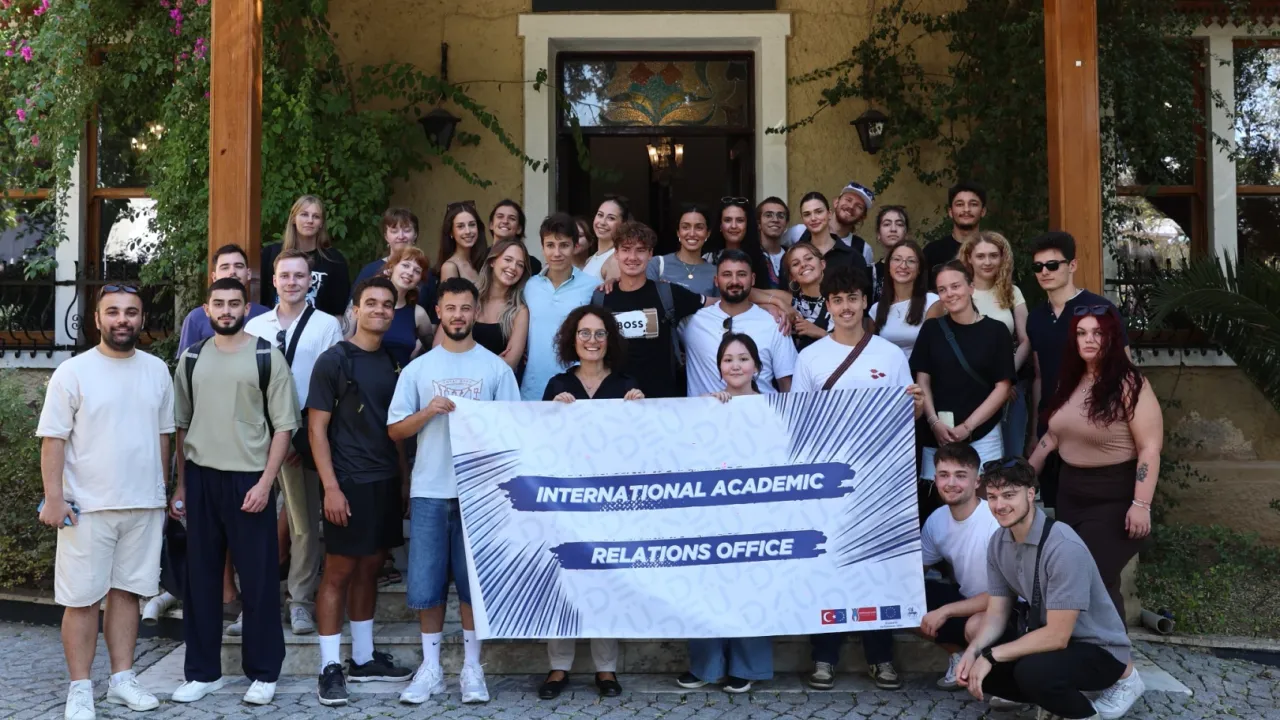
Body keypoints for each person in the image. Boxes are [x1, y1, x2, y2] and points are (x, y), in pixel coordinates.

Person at [37, 284, 173, 720]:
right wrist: (54, 499)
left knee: (128, 594)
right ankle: (80, 689)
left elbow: (164, 436)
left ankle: (121, 680)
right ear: (96, 319)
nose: (122, 319)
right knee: (81, 600)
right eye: (112, 312)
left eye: (131, 312)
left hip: (143, 505)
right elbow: (53, 439)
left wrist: (162, 493)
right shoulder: (73, 372)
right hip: (87, 508)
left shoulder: (157, 370)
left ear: (142, 319)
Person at [388, 277, 521, 705]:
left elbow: (514, 430)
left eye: (466, 308)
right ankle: (430, 669)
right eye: (451, 308)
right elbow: (395, 430)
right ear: (439, 312)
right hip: (430, 487)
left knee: (472, 586)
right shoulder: (418, 369)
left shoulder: (496, 369)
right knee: (426, 586)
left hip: (480, 493)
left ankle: (471, 668)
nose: (458, 316)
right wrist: (428, 411)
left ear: (476, 312)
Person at [790, 266, 921, 692]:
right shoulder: (810, 358)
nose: (846, 307)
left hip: (880, 479)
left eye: (852, 298)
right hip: (829, 480)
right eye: (837, 300)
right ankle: (823, 657)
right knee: (827, 566)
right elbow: (800, 423)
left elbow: (906, 416)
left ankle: (881, 657)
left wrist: (917, 407)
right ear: (828, 305)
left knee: (877, 566)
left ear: (866, 301)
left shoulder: (889, 355)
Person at [170, 278, 299, 706]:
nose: (226, 310)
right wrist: (182, 485)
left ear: (247, 308)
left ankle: (264, 673)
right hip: (202, 478)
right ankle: (202, 672)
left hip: (249, 480)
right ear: (206, 309)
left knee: (259, 580)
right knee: (201, 579)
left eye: (234, 303)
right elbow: (182, 425)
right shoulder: (191, 358)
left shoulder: (266, 356)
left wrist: (266, 483)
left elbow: (284, 426)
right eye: (219, 303)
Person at [957, 458, 1143, 720]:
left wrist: (990, 656)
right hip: (1051, 642)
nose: (999, 505)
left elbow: (1057, 636)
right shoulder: (998, 541)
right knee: (982, 673)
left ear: (1030, 494)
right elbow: (996, 614)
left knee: (1032, 673)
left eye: (1009, 495)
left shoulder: (1063, 546)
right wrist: (973, 652)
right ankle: (1053, 699)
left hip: (1100, 649)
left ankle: (1083, 714)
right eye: (992, 497)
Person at [309, 277, 414, 706]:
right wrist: (331, 487)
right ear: (355, 309)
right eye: (371, 303)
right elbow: (316, 430)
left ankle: (364, 657)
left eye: (387, 304)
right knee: (338, 572)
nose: (380, 310)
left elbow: (396, 428)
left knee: (371, 566)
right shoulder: (333, 361)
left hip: (385, 480)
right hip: (347, 482)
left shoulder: (393, 361)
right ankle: (329, 667)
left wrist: (403, 479)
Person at [1030, 305, 1161, 620]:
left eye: (1098, 333)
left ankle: (1107, 649)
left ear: (1112, 338)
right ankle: (1107, 648)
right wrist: (1024, 474)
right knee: (1091, 580)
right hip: (1070, 494)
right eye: (1081, 333)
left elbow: (1149, 447)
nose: (1088, 339)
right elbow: (1054, 435)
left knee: (1092, 576)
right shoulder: (1070, 381)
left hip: (1114, 497)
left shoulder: (1131, 384)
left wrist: (1141, 504)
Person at [538, 306, 642, 700]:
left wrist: (642, 411)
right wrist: (552, 412)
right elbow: (537, 441)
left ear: (609, 339)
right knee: (563, 581)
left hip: (612, 503)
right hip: (567, 501)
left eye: (599, 333)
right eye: (584, 333)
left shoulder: (627, 385)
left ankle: (605, 667)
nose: (592, 341)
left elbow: (644, 445)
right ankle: (559, 666)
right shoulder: (558, 384)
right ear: (573, 339)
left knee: (605, 582)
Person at [245, 249, 345, 636]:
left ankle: (300, 599)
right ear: (274, 281)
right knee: (252, 520)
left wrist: (299, 439)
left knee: (302, 523)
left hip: (303, 433)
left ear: (310, 281)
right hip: (258, 434)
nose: (292, 282)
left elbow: (329, 387)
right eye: (285, 276)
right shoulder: (256, 326)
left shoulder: (326, 326)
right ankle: (254, 601)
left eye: (299, 276)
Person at [677, 333, 773, 694]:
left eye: (743, 358)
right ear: (719, 368)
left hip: (758, 512)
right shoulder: (706, 406)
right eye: (728, 359)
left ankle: (747, 666)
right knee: (707, 587)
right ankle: (706, 666)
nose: (736, 365)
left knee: (752, 589)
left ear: (757, 367)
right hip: (712, 513)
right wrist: (702, 411)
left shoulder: (774, 408)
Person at [1026, 231, 1128, 508]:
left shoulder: (1100, 310)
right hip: (1050, 426)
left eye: (1052, 265)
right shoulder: (1036, 318)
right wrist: (1035, 431)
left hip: (1093, 425)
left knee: (1093, 507)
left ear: (1072, 265)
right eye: (1038, 266)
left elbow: (1124, 371)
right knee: (1054, 507)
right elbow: (1039, 376)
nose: (1044, 272)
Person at [911, 260, 1014, 517]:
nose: (950, 294)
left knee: (987, 509)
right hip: (938, 435)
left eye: (955, 286)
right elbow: (922, 380)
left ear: (971, 287)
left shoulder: (996, 331)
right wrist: (934, 422)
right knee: (940, 511)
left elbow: (1002, 387)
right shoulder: (931, 330)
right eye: (942, 289)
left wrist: (968, 427)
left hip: (984, 433)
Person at [916, 443, 1001, 692]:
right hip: (966, 600)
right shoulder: (936, 520)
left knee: (976, 625)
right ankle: (958, 655)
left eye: (961, 475)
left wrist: (945, 611)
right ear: (935, 479)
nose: (951, 483)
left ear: (977, 481)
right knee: (902, 601)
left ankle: (1003, 679)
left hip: (1004, 608)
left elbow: (1003, 595)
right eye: (944, 475)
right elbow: (915, 575)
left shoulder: (994, 521)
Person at [597, 221, 706, 398]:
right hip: (614, 400)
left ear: (650, 254)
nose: (632, 257)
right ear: (616, 254)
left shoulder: (668, 293)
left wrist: (756, 298)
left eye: (640, 250)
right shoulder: (601, 298)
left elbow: (717, 303)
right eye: (626, 249)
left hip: (661, 400)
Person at [682, 250, 798, 397]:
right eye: (727, 275)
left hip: (760, 409)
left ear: (753, 279)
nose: (734, 281)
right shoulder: (693, 321)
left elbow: (787, 385)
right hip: (706, 410)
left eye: (742, 274)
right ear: (716, 280)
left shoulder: (774, 322)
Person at [959, 232, 1031, 462]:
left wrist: (1007, 377)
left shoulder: (1012, 292)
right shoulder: (960, 292)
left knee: (1011, 457)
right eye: (980, 256)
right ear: (969, 258)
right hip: (969, 388)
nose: (987, 262)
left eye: (993, 255)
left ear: (1002, 258)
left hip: (1009, 388)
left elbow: (1025, 340)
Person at [522, 213, 600, 401]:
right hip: (533, 390)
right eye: (550, 245)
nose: (556, 253)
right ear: (542, 248)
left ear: (575, 246)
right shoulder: (529, 286)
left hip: (576, 391)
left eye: (564, 245)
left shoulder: (593, 286)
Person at [261, 195, 351, 314]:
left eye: (316, 216)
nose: (310, 220)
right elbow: (261, 299)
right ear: (293, 219)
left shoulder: (334, 260)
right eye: (304, 214)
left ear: (321, 223)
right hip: (276, 323)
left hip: (319, 324)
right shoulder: (271, 254)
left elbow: (339, 309)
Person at [352, 208, 439, 325]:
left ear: (415, 235)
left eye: (407, 230)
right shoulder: (369, 271)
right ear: (386, 236)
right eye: (394, 231)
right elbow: (352, 312)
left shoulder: (427, 274)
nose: (401, 236)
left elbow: (433, 319)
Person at [178, 244, 269, 354]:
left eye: (239, 266)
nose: (232, 272)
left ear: (248, 274)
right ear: (214, 277)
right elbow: (187, 361)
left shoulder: (266, 316)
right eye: (225, 267)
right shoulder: (195, 318)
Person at [463, 239, 530, 372]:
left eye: (520, 265)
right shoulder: (467, 297)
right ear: (492, 261)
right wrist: (494, 362)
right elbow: (439, 345)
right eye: (508, 259)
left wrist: (464, 360)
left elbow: (510, 363)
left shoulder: (519, 311)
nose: (513, 267)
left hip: (497, 384)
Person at [870, 241, 940, 359]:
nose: (903, 266)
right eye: (897, 259)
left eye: (911, 261)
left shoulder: (932, 302)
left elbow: (933, 349)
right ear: (888, 265)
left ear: (919, 268)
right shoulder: (876, 309)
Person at [783, 182, 877, 267]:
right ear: (836, 202)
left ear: (863, 217)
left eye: (859, 206)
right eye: (848, 200)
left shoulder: (863, 249)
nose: (851, 206)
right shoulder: (799, 232)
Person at [377, 246, 435, 367]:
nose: (410, 273)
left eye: (417, 271)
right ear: (392, 266)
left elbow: (430, 349)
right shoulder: (363, 301)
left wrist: (414, 356)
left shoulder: (418, 314)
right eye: (405, 265)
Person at [647, 204, 718, 297]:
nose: (692, 233)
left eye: (699, 227)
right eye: (685, 227)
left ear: (708, 233)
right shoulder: (657, 264)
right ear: (678, 232)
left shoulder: (715, 273)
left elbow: (720, 305)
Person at [792, 191, 869, 278]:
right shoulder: (793, 254)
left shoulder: (853, 256)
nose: (813, 218)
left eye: (819, 212)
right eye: (807, 214)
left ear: (829, 214)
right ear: (802, 219)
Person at [924, 182, 986, 289]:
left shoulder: (993, 252)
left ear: (983, 211)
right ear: (950, 212)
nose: (966, 209)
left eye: (973, 204)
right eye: (960, 204)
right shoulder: (932, 252)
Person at [703, 197, 774, 289]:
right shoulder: (707, 259)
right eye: (728, 220)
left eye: (740, 220)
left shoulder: (762, 258)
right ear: (720, 225)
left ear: (747, 225)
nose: (733, 226)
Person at [438, 201, 488, 285]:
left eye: (472, 225)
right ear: (451, 232)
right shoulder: (450, 267)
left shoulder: (482, 261)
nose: (468, 231)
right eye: (460, 226)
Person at [489, 198, 543, 276]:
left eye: (512, 218)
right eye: (500, 216)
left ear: (519, 229)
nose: (505, 221)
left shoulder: (532, 265)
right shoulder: (479, 259)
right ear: (491, 225)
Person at [582, 195, 630, 280]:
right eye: (600, 215)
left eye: (611, 218)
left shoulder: (615, 260)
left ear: (623, 224)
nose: (602, 222)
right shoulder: (590, 260)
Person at [870, 205, 910, 300]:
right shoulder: (871, 272)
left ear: (906, 234)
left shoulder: (916, 268)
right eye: (887, 224)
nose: (893, 229)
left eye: (899, 224)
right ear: (878, 234)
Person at [756, 197, 789, 289]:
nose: (775, 220)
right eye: (768, 215)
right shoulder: (749, 256)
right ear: (759, 223)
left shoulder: (793, 256)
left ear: (786, 224)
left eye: (780, 216)